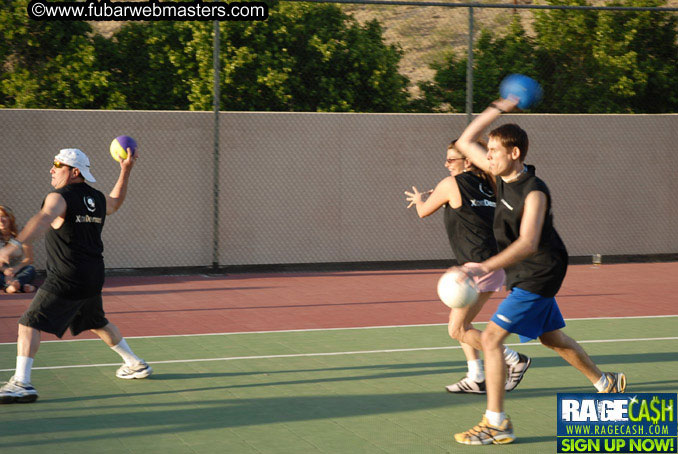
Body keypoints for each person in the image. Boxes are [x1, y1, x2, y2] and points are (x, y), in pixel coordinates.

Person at [451, 97, 626, 445]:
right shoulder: (500, 178)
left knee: (490, 339)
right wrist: (498, 108)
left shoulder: (534, 191)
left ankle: (496, 423)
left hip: (541, 271)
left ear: (514, 153)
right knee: (551, 338)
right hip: (525, 272)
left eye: (495, 151)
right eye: (488, 152)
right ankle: (606, 383)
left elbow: (529, 242)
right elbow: (464, 141)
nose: (488, 156)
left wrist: (481, 267)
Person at [0, 147, 152, 404]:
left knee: (29, 323)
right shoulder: (96, 198)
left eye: (57, 166)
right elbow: (115, 201)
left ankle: (21, 383)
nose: (51, 169)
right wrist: (125, 170)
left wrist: (13, 245)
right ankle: (135, 363)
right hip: (93, 274)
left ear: (74, 172)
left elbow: (44, 217)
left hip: (67, 275)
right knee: (96, 321)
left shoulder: (60, 197)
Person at [405, 141, 531, 395]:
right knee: (463, 323)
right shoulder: (492, 186)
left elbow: (422, 212)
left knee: (457, 330)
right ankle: (476, 376)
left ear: (469, 161)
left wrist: (420, 200)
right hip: (489, 264)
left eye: (451, 160)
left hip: (477, 268)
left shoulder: (450, 184)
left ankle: (513, 358)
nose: (446, 164)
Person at [1, 205, 37, 293]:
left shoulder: (21, 235)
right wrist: (5, 270)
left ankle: (12, 286)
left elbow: (29, 259)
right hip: (1, 271)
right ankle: (24, 287)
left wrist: (16, 268)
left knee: (30, 269)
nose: (1, 220)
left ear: (10, 218)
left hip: (18, 270)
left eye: (3, 216)